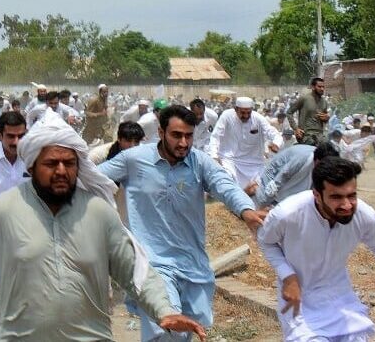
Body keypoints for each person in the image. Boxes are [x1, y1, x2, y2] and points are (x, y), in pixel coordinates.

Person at [0, 110, 207, 342]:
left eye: (70, 163)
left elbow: (137, 271)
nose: (62, 171)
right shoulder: (1, 212)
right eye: (52, 164)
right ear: (31, 166)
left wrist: (164, 311)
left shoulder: (98, 214)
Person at [98, 105, 265, 342]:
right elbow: (94, 178)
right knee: (166, 329)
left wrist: (246, 210)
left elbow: (223, 184)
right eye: (177, 135)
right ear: (161, 132)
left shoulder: (199, 162)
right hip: (152, 263)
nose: (183, 143)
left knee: (188, 329)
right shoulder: (133, 160)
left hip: (192, 264)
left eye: (188, 136)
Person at [257, 156, 375, 341]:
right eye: (336, 197)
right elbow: (266, 241)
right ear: (316, 195)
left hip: (342, 301)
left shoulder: (363, 214)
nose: (347, 205)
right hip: (300, 305)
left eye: (352, 195)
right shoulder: (288, 213)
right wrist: (288, 276)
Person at [209, 97, 283, 188]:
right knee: (228, 184)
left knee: (259, 190)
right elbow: (215, 136)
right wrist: (214, 156)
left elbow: (274, 133)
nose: (246, 116)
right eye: (242, 113)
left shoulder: (258, 118)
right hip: (231, 160)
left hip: (254, 163)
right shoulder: (227, 116)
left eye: (248, 113)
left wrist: (276, 143)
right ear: (236, 109)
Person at [245, 142, 339, 209]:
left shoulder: (326, 163)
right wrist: (270, 191)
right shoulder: (303, 157)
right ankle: (252, 192)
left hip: (293, 179)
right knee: (263, 200)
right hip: (276, 173)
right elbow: (284, 174)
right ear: (317, 159)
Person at [287, 77, 329, 145]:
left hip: (319, 135)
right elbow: (289, 112)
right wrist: (296, 129)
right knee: (311, 144)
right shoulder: (304, 98)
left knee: (330, 147)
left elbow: (324, 119)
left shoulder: (324, 102)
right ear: (313, 87)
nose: (322, 89)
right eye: (319, 87)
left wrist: (326, 118)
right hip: (306, 135)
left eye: (323, 87)